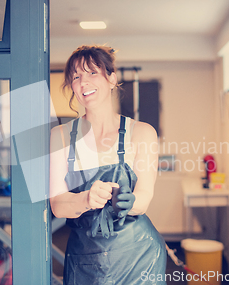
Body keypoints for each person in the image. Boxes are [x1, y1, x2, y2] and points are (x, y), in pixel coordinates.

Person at [49, 45, 167, 284]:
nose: (83, 83)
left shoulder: (142, 132)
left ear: (111, 78)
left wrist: (130, 203)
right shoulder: (59, 136)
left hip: (139, 257)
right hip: (84, 260)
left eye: (92, 72)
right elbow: (58, 205)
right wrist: (86, 199)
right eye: (76, 77)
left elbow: (143, 197)